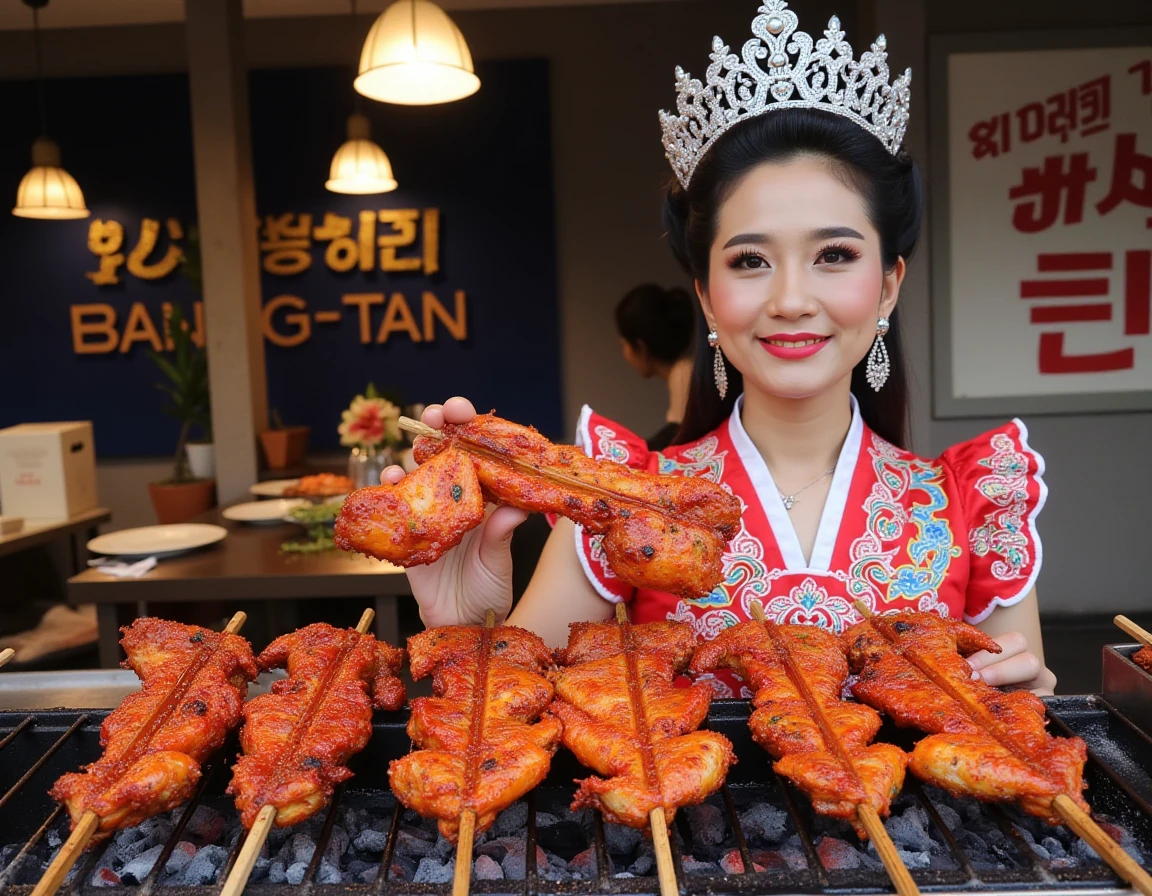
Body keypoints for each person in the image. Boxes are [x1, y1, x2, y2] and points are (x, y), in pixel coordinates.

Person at [381, 1, 1058, 696]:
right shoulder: (620, 498)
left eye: (833, 254)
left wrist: (1032, 700)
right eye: (750, 262)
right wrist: (464, 620)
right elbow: (494, 723)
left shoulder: (974, 504)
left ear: (888, 286)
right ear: (705, 293)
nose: (791, 297)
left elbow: (1023, 746)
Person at [615, 283, 696, 450]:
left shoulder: (684, 376)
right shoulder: (686, 370)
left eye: (624, 345)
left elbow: (679, 442)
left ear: (640, 347)